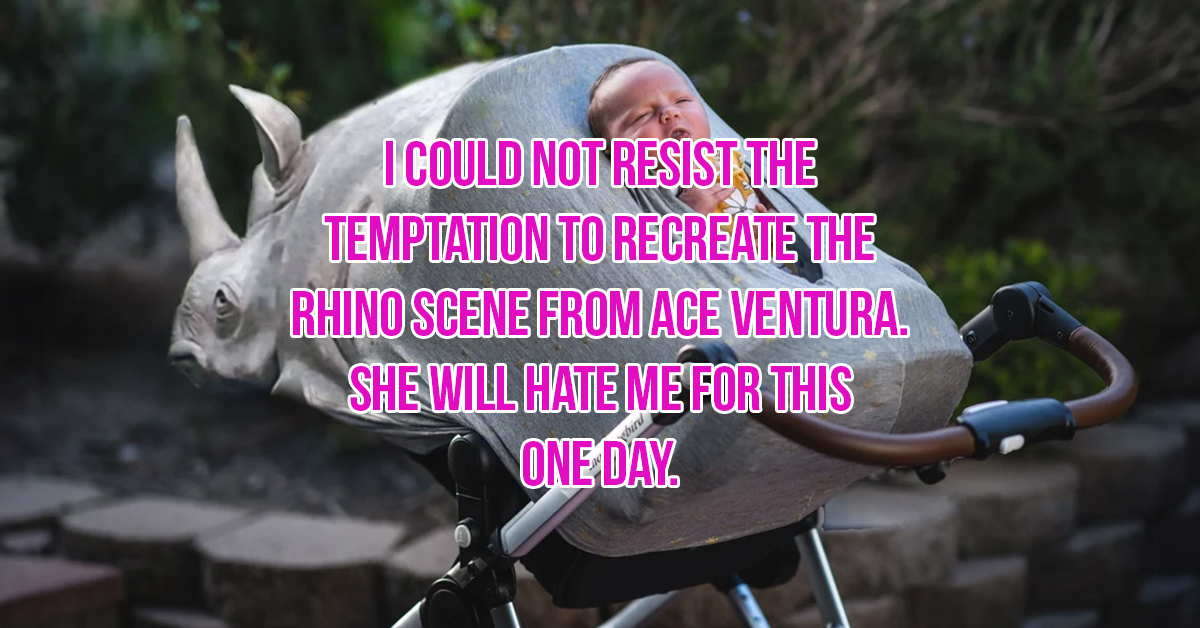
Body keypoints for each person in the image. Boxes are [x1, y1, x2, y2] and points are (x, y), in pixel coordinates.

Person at [587, 56, 775, 220]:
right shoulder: (649, 193)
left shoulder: (728, 157)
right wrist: (690, 213)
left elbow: (773, 198)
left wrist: (772, 215)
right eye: (643, 115)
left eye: (682, 100)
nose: (670, 112)